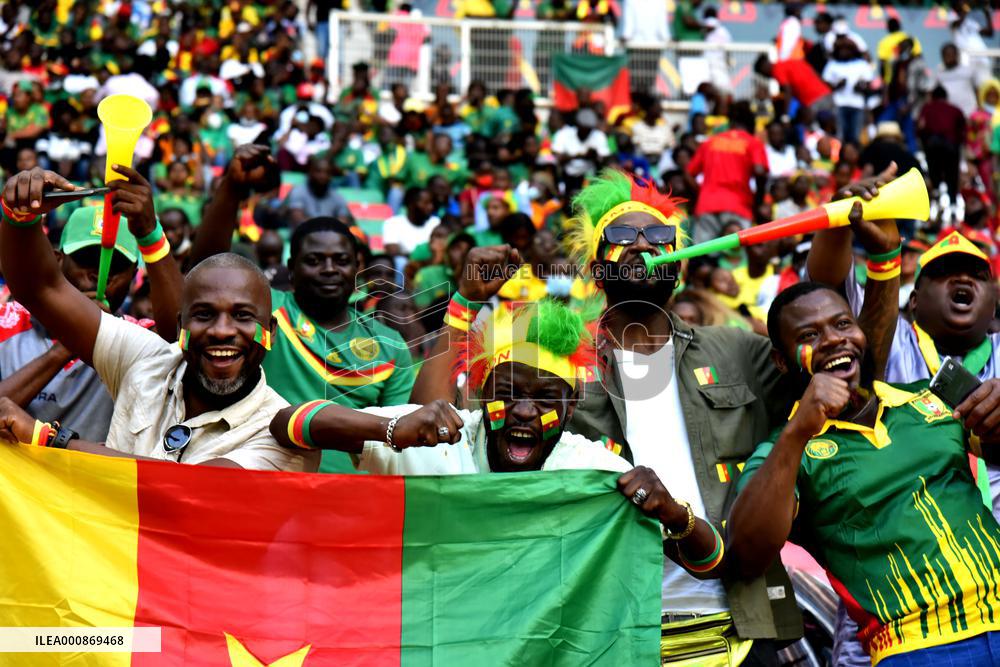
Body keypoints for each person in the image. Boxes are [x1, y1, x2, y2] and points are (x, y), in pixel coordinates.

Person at [275, 296, 727, 580]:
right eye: (506, 394)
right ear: (480, 395)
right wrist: (391, 429)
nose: (525, 412)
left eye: (546, 399)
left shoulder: (592, 469)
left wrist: (673, 511)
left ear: (570, 409)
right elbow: (291, 424)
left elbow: (709, 563)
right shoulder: (433, 442)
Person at [730, 278, 1000, 665]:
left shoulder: (931, 396)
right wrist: (798, 431)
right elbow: (747, 553)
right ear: (780, 360)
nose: (834, 339)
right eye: (809, 334)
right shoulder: (783, 449)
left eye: (842, 324)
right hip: (916, 648)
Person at [0, 168, 317, 472]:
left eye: (243, 316)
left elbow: (185, 487)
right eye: (204, 315)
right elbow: (42, 288)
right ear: (181, 327)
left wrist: (47, 438)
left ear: (270, 331)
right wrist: (20, 214)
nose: (222, 331)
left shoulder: (276, 428)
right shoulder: (144, 358)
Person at [192, 153, 417, 474]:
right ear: (292, 270)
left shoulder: (389, 345)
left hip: (350, 499)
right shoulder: (267, 310)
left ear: (357, 268)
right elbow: (207, 275)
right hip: (259, 480)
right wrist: (231, 187)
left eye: (340, 260)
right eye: (314, 260)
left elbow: (399, 436)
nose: (329, 269)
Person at [0, 169, 181, 443]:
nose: (99, 274)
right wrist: (71, 341)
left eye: (116, 266)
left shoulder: (139, 336)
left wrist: (149, 235)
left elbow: (181, 337)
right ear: (57, 260)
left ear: (134, 277)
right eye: (86, 259)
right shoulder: (5, 321)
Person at [686, 101, 768, 244]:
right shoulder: (753, 143)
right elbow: (760, 172)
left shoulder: (711, 142)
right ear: (751, 124)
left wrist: (701, 193)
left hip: (707, 205)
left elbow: (688, 173)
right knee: (735, 259)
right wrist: (758, 201)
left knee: (702, 257)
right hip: (738, 206)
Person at [918, 86, 965, 208]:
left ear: (933, 96)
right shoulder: (955, 110)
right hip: (951, 147)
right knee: (952, 176)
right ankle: (953, 204)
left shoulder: (927, 108)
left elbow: (920, 126)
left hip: (933, 147)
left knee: (935, 176)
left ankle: (936, 200)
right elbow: (963, 131)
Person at [822, 36, 873, 144]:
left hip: (857, 105)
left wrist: (860, 87)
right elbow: (825, 86)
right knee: (840, 137)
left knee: (855, 137)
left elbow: (869, 85)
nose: (843, 52)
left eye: (846, 49)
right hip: (838, 105)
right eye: (841, 49)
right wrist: (837, 85)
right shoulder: (832, 65)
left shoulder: (862, 65)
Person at [284, 155, 352, 225]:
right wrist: (327, 227)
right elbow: (298, 220)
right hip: (303, 234)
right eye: (318, 171)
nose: (323, 176)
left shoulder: (338, 197)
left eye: (327, 172)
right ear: (310, 172)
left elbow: (343, 222)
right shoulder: (298, 191)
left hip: (330, 235)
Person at [383, 187, 440, 260]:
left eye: (432, 203)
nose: (431, 207)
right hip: (406, 265)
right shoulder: (392, 223)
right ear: (411, 204)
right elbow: (393, 253)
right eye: (426, 203)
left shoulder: (436, 222)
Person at [936, 42, 978, 118]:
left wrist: (979, 108)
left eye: (951, 54)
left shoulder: (969, 70)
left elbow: (977, 89)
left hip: (969, 113)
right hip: (949, 116)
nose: (948, 57)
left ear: (957, 55)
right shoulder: (939, 75)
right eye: (946, 54)